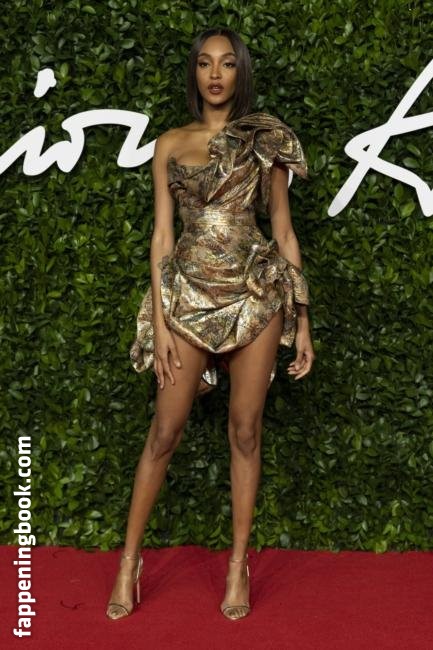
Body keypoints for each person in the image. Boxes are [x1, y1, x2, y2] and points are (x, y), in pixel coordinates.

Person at [106, 26, 315, 622]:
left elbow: (282, 231)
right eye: (204, 63)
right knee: (164, 432)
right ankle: (128, 562)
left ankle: (237, 566)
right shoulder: (170, 143)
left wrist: (302, 318)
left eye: (226, 63)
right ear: (194, 73)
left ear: (240, 71)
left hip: (254, 295)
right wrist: (161, 320)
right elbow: (162, 236)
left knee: (245, 432)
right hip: (188, 297)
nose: (215, 74)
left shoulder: (265, 142)